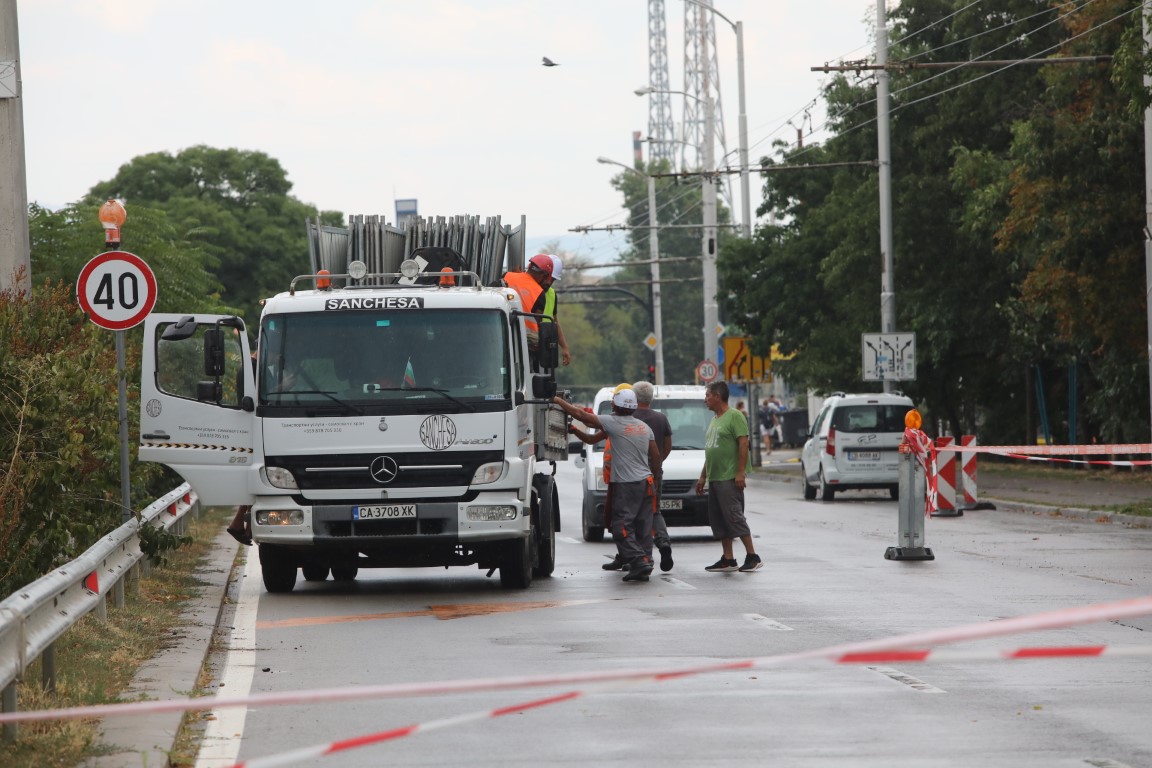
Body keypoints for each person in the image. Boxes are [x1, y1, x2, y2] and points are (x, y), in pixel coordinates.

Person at [554, 388, 661, 582]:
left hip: (626, 485)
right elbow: (656, 457)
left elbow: (581, 415)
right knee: (643, 525)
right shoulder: (644, 427)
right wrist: (655, 481)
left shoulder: (614, 422)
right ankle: (645, 563)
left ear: (615, 405)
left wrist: (556, 400)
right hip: (646, 483)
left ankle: (640, 561)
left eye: (612, 403)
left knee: (620, 526)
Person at [695, 381, 762, 573]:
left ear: (717, 396)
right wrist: (702, 477)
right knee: (720, 519)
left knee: (734, 516)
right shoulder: (715, 419)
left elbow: (743, 444)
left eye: (707, 395)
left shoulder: (735, 416)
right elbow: (712, 452)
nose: (705, 399)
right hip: (715, 477)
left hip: (729, 477)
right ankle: (728, 558)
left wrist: (740, 472)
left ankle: (752, 556)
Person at [629, 381, 674, 571]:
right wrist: (657, 463)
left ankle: (639, 556)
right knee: (655, 511)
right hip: (655, 472)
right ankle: (663, 542)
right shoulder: (661, 419)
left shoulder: (628, 417)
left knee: (632, 515)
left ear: (634, 398)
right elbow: (668, 445)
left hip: (630, 474)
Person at [544, 254, 572, 367]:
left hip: (544, 349)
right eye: (549, 278)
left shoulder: (551, 294)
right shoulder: (528, 289)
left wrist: (564, 347)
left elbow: (555, 322)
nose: (549, 282)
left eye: (553, 279)